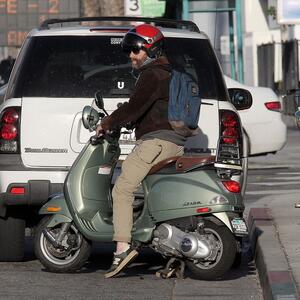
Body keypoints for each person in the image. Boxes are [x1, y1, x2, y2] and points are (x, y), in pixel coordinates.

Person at [96, 24, 186, 278]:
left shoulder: (153, 75)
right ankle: (172, 251)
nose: (131, 56)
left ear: (151, 48)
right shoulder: (168, 72)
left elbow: (135, 107)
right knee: (153, 195)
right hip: (172, 142)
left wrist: (106, 124)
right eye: (129, 51)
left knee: (122, 188)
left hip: (155, 142)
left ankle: (122, 248)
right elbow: (145, 108)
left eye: (135, 50)